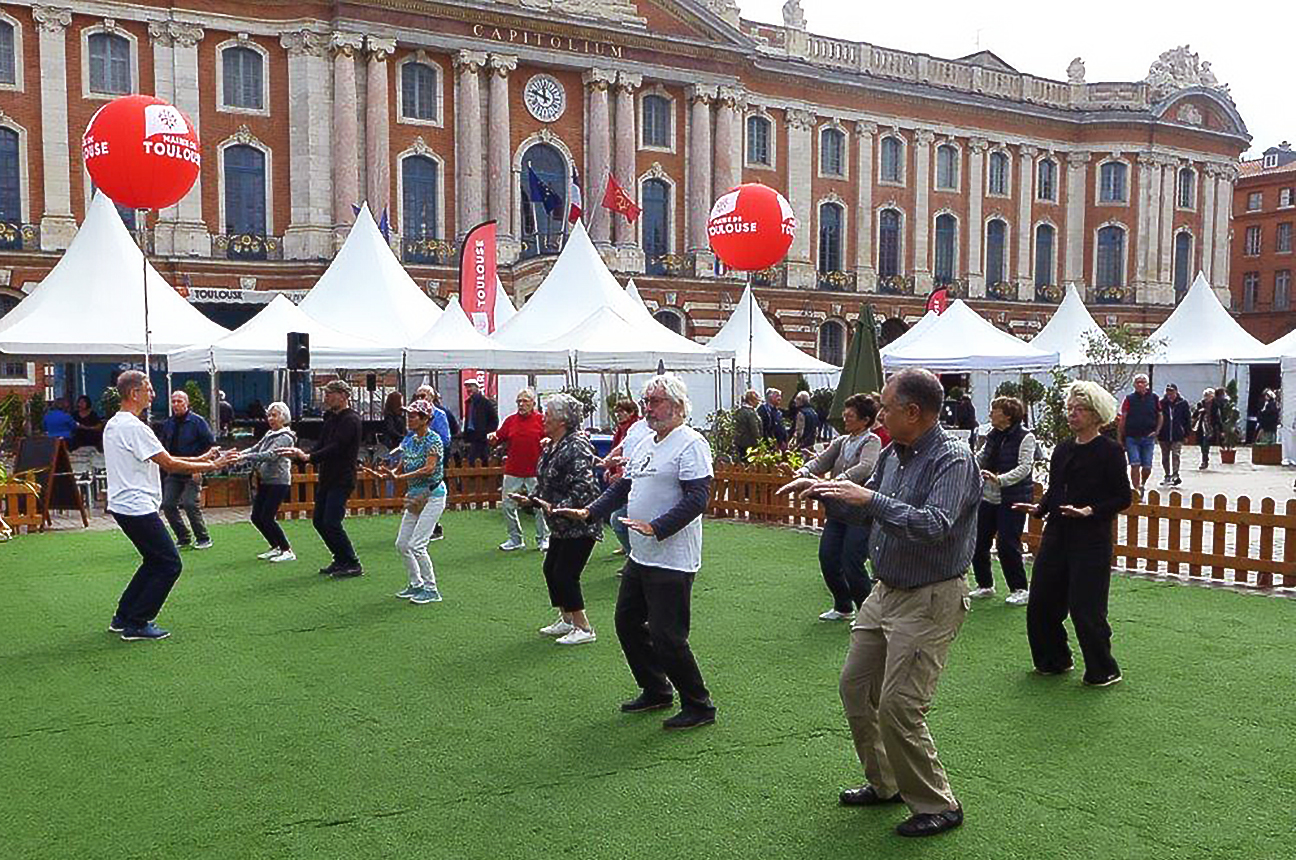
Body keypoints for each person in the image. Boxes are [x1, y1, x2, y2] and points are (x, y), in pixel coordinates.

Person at [810, 368, 980, 839]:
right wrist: (823, 492)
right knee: (856, 688)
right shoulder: (892, 453)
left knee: (901, 705)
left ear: (913, 412)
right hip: (884, 593)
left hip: (930, 596)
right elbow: (870, 510)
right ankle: (885, 783)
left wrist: (870, 499)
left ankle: (938, 804)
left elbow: (935, 524)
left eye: (885, 407)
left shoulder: (953, 458)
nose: (879, 414)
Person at [557, 373, 717, 730]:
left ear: (677, 405)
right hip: (642, 555)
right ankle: (656, 689)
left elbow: (698, 498)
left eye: (655, 401)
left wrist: (657, 527)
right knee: (627, 623)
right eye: (646, 401)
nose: (648, 408)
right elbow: (624, 487)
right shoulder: (647, 442)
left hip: (673, 558)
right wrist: (590, 512)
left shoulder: (691, 443)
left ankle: (699, 704)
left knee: (667, 634)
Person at [1015, 380, 1131, 687]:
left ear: (1096, 415)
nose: (1072, 414)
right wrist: (1038, 510)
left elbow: (1123, 497)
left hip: (1091, 538)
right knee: (1040, 602)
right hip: (1057, 534)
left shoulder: (1111, 451)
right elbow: (1056, 489)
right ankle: (1054, 660)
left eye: (1079, 409)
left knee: (1086, 608)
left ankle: (1104, 669)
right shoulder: (1064, 449)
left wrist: (1090, 510)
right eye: (1070, 409)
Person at [105, 371, 235, 641]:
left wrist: (203, 459)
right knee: (169, 564)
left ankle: (124, 616)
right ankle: (138, 623)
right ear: (134, 393)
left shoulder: (115, 424)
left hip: (124, 505)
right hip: (136, 506)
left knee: (154, 560)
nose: (153, 394)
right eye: (149, 389)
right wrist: (213, 464)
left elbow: (166, 459)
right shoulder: (135, 428)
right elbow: (170, 463)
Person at [779, 393, 882, 620]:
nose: (845, 418)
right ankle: (843, 606)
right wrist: (802, 472)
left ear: (865, 420)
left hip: (860, 513)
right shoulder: (841, 441)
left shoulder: (872, 441)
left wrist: (837, 480)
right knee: (828, 557)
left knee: (851, 562)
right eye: (845, 414)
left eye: (850, 415)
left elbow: (866, 467)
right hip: (837, 511)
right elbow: (820, 461)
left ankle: (868, 614)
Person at [511, 393, 603, 645]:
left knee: (565, 573)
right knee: (550, 569)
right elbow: (547, 481)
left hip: (579, 523)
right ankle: (567, 619)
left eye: (548, 414)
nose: (544, 418)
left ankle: (584, 628)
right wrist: (531, 499)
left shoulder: (577, 446)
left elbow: (584, 488)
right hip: (560, 525)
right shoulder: (551, 445)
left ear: (562, 420)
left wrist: (555, 507)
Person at [280, 380, 364, 577]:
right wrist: (301, 456)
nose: (326, 398)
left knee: (332, 522)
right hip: (327, 477)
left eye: (330, 394)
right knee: (319, 520)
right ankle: (340, 559)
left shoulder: (351, 420)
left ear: (343, 395)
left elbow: (337, 447)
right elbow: (321, 445)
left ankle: (352, 562)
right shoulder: (331, 419)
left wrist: (310, 457)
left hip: (342, 478)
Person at [970, 396, 1035, 605]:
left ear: (1007, 415)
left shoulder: (1026, 437)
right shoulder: (992, 434)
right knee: (979, 541)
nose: (990, 413)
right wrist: (966, 464)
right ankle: (985, 585)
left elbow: (1025, 468)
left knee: (1007, 543)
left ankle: (1020, 589)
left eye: (994, 410)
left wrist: (1000, 479)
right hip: (988, 497)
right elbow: (981, 456)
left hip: (1013, 497)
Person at [383, 398, 447, 604]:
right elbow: (403, 464)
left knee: (418, 545)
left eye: (413, 415)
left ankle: (431, 589)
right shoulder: (409, 440)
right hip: (415, 495)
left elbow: (430, 468)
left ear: (425, 419)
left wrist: (400, 478)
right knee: (402, 544)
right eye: (408, 415)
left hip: (433, 495)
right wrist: (392, 473)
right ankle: (416, 583)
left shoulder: (434, 440)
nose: (408, 418)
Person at [236, 401, 298, 562]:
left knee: (267, 517)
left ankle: (287, 550)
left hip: (279, 481)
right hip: (265, 480)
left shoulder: (285, 437)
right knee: (256, 517)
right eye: (269, 415)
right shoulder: (270, 434)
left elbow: (271, 455)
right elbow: (256, 449)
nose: (270, 419)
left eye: (274, 415)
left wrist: (245, 457)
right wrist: (238, 455)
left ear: (284, 417)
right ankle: (275, 546)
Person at [490, 388, 550, 552]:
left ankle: (543, 539)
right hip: (513, 470)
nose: (521, 404)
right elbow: (499, 436)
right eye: (519, 401)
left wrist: (547, 440)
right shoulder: (510, 420)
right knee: (508, 505)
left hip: (536, 471)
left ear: (533, 403)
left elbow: (553, 437)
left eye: (525, 401)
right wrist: (493, 436)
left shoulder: (542, 420)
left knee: (539, 506)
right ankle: (515, 539)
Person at [159, 390, 216, 550]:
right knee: (168, 504)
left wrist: (200, 467)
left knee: (190, 503)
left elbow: (210, 445)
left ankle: (203, 537)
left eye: (179, 401)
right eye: (173, 401)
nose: (176, 404)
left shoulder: (198, 422)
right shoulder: (168, 423)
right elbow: (163, 445)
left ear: (187, 403)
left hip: (193, 469)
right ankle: (183, 537)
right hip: (174, 469)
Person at [414, 384, 454, 541]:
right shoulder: (414, 415)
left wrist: (430, 448)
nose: (420, 399)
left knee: (432, 494)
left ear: (432, 398)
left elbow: (445, 439)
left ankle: (434, 527)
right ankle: (424, 526)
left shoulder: (439, 415)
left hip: (433, 462)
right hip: (417, 461)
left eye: (423, 396)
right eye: (418, 396)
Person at [1117, 373, 1161, 497]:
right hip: (1132, 437)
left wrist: (1157, 431)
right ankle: (1136, 490)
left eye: (1142, 382)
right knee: (1134, 464)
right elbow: (1123, 418)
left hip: (1148, 437)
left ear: (1147, 384)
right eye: (1137, 382)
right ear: (1134, 385)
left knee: (1147, 466)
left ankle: (1142, 483)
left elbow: (1160, 415)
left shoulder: (1154, 398)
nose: (1140, 384)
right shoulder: (1129, 399)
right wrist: (1120, 437)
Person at [1157, 383, 1191, 487]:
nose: (1170, 393)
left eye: (1172, 391)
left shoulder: (1182, 403)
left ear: (1176, 391)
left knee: (1176, 455)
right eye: (1168, 391)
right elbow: (1157, 417)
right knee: (1165, 457)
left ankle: (1175, 474)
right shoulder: (1162, 403)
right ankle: (1167, 475)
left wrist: (1186, 434)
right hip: (1164, 434)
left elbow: (1187, 419)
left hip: (1177, 434)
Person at [461, 379, 499, 465]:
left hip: (482, 439)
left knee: (482, 460)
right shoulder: (468, 402)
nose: (468, 389)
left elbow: (494, 420)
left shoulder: (486, 402)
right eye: (467, 387)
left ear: (477, 387)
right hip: (471, 436)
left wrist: (486, 433)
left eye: (470, 386)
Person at [732, 390, 762, 463]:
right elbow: (754, 429)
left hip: (740, 443)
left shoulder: (740, 411)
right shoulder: (750, 413)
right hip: (750, 444)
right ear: (751, 400)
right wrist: (759, 442)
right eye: (757, 400)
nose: (758, 402)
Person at [1193, 388, 1218, 469]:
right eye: (1206, 396)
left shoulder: (1215, 405)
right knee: (1202, 444)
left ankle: (1205, 461)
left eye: (1209, 396)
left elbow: (1218, 417)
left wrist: (1221, 429)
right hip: (1202, 426)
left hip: (1210, 427)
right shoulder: (1201, 404)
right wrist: (1200, 411)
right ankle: (1205, 459)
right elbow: (1194, 415)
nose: (1207, 398)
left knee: (1206, 443)